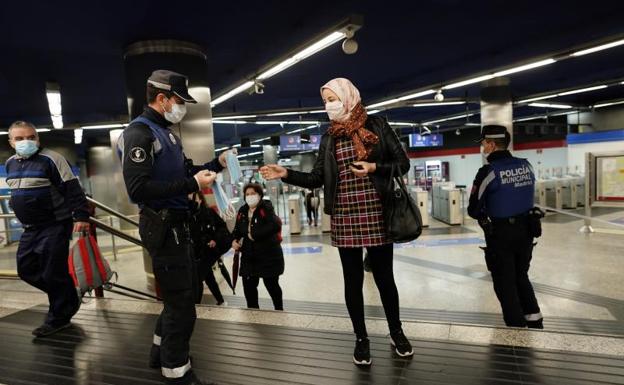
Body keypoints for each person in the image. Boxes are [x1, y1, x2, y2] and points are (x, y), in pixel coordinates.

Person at [260, 78, 414, 366]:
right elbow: (317, 178)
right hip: (345, 216)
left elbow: (402, 164)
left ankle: (396, 331)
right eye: (325, 101)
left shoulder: (377, 125)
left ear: (349, 96)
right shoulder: (330, 136)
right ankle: (361, 338)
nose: (329, 106)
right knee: (352, 281)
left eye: (333, 99)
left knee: (384, 278)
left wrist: (373, 167)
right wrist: (286, 174)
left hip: (378, 213)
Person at [120, 70, 229, 385]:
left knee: (178, 295)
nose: (182, 106)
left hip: (178, 225)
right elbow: (138, 188)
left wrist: (214, 166)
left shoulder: (164, 133)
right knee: (182, 304)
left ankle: (159, 352)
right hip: (164, 226)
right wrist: (192, 183)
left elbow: (184, 173)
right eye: (179, 100)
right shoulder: (140, 134)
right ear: (161, 98)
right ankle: (176, 371)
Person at [5, 121, 90, 337]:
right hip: (30, 229)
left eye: (31, 137)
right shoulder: (10, 164)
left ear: (38, 138)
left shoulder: (52, 159)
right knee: (26, 270)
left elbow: (72, 189)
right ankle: (68, 297)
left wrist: (81, 216)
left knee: (53, 272)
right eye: (20, 138)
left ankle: (58, 318)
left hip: (55, 225)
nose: (26, 141)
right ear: (11, 142)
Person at [467, 125, 543, 329]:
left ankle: (516, 328)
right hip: (527, 230)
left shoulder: (489, 171)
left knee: (504, 281)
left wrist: (484, 217)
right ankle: (535, 320)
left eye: (484, 143)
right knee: (521, 276)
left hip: (502, 234)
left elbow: (474, 209)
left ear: (491, 144)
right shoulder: (526, 166)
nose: (483, 147)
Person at [231, 183, 284, 311]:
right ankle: (253, 313)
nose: (250, 196)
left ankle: (279, 309)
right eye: (247, 194)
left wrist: (253, 234)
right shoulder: (242, 211)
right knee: (249, 287)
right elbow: (237, 230)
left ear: (260, 195)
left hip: (268, 255)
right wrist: (233, 240)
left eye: (253, 194)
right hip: (249, 256)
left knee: (271, 285)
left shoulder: (266, 208)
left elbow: (274, 226)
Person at [189, 191, 232, 305]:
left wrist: (215, 240)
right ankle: (221, 301)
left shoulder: (208, 213)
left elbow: (222, 227)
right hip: (197, 252)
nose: (192, 201)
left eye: (195, 199)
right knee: (208, 276)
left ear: (201, 200)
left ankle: (196, 305)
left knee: (198, 278)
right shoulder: (188, 216)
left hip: (209, 251)